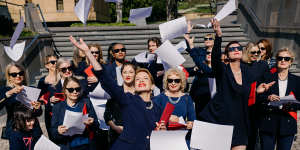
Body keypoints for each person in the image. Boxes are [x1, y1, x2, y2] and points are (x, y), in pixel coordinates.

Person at [69, 36, 165, 150]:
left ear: (152, 85)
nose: (141, 81)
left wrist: (162, 130)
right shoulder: (127, 99)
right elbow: (106, 80)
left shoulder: (158, 106)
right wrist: (88, 53)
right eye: (138, 79)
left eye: (145, 78)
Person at [199, 19, 274, 150]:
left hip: (240, 123)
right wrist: (219, 36)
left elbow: (260, 69)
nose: (236, 50)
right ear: (227, 54)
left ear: (242, 51)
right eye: (232, 49)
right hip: (220, 121)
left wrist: (257, 91)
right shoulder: (223, 70)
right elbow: (215, 60)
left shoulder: (247, 72)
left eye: (238, 48)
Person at [257, 48, 300, 150]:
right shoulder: (266, 77)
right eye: (280, 58)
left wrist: (287, 104)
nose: (283, 60)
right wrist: (268, 97)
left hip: (287, 123)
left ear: (291, 62)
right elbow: (258, 97)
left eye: (286, 58)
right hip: (268, 122)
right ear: (276, 60)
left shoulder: (297, 80)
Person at [50, 77, 100, 150]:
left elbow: (96, 125)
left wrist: (91, 123)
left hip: (86, 145)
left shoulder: (86, 102)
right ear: (65, 91)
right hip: (67, 146)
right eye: (70, 90)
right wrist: (58, 131)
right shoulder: (58, 107)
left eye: (77, 89)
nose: (74, 92)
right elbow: (53, 131)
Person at [104, 62, 136, 147]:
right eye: (125, 72)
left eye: (131, 72)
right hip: (117, 136)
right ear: (121, 74)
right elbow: (106, 115)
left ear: (136, 74)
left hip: (136, 136)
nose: (127, 75)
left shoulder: (140, 93)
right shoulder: (116, 92)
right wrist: (116, 127)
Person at [184, 31, 215, 119]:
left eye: (210, 38)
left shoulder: (218, 55)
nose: (207, 40)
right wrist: (187, 34)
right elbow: (191, 50)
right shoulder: (201, 51)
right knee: (200, 116)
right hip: (199, 91)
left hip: (212, 90)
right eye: (205, 39)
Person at [37, 55, 58, 140]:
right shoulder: (42, 81)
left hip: (64, 111)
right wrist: (48, 100)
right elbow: (39, 99)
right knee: (53, 138)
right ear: (47, 65)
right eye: (52, 62)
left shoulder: (64, 77)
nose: (55, 64)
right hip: (50, 114)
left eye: (57, 61)